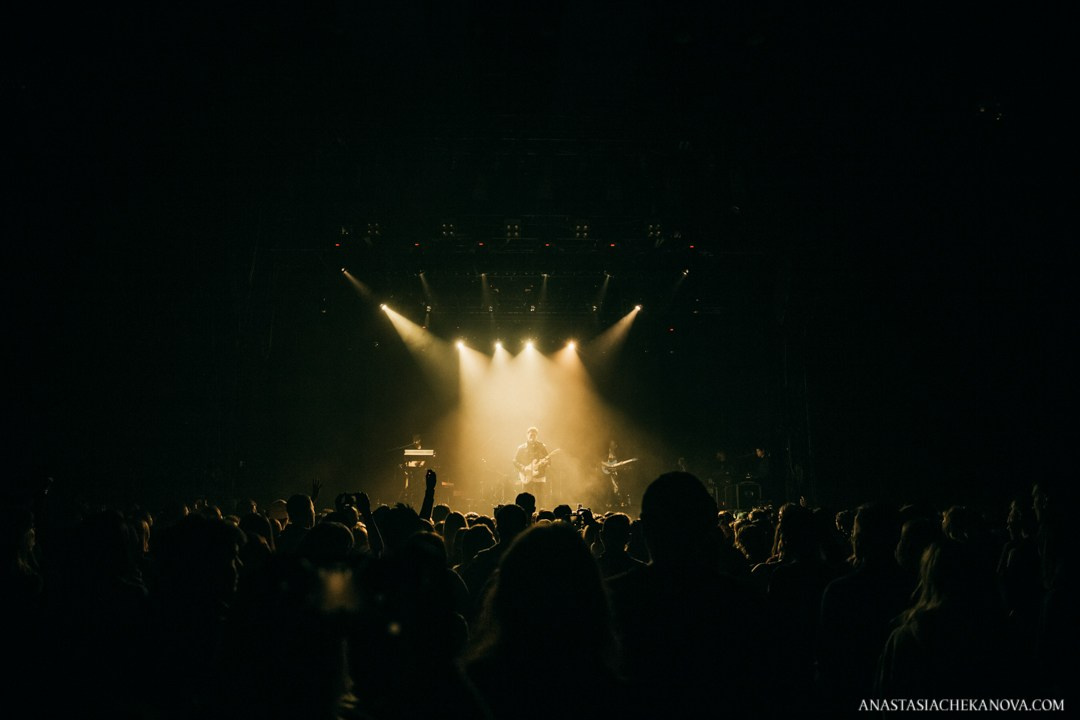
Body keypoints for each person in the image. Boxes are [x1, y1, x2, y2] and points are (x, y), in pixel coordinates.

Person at [512, 427, 554, 509]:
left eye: (534, 435)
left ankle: (541, 514)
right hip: (526, 476)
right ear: (527, 435)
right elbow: (515, 461)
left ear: (537, 436)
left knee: (540, 498)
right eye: (531, 435)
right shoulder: (521, 448)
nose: (532, 437)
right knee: (526, 498)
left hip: (539, 476)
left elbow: (548, 459)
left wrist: (545, 463)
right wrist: (523, 468)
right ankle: (526, 515)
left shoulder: (542, 446)